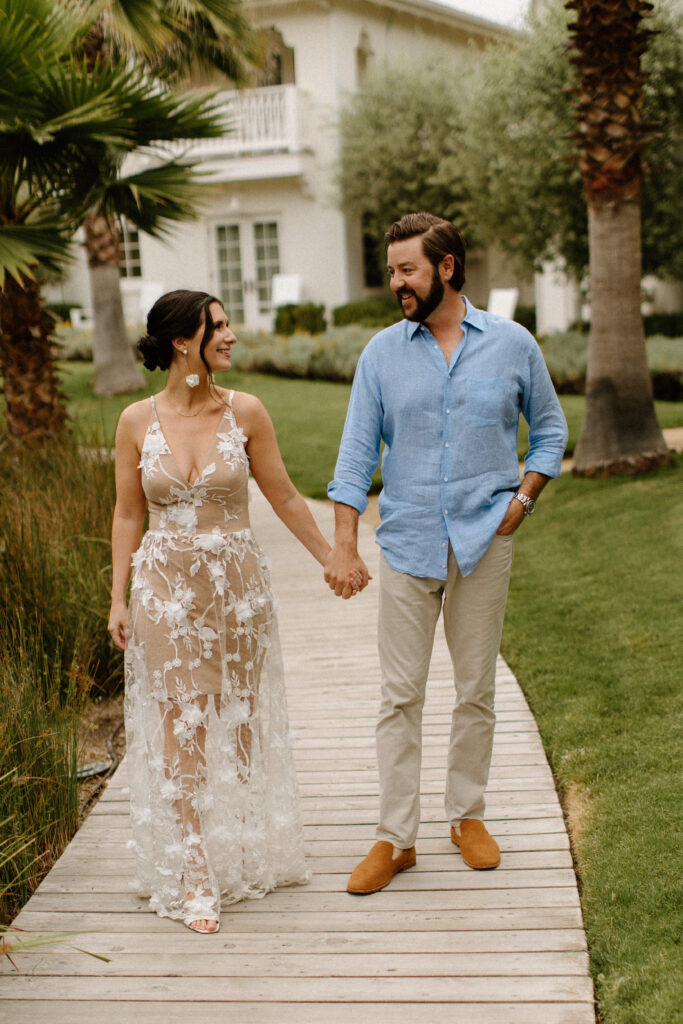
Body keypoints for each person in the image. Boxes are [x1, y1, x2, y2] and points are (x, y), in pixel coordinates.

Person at [324, 212, 568, 895]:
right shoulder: (381, 353)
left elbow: (549, 431)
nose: (396, 282)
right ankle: (394, 838)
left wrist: (521, 501)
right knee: (398, 696)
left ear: (446, 268)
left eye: (408, 270)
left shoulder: (512, 344)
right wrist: (345, 543)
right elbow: (353, 456)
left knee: (475, 690)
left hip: (483, 540)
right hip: (404, 542)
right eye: (392, 270)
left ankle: (465, 817)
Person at [108, 289, 335, 933]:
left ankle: (237, 841)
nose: (232, 335)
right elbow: (128, 512)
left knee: (236, 721)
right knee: (183, 724)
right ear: (186, 341)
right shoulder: (134, 421)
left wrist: (329, 556)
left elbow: (286, 495)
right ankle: (195, 866)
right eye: (221, 325)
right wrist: (117, 596)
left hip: (237, 589)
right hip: (164, 590)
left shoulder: (247, 411)